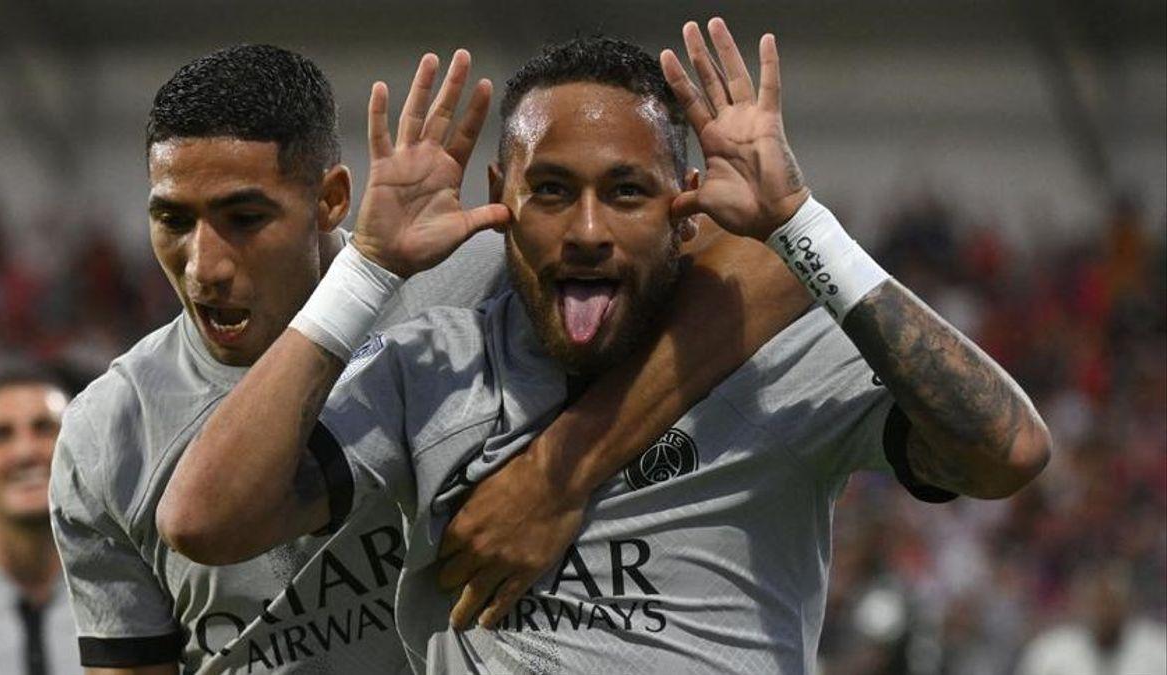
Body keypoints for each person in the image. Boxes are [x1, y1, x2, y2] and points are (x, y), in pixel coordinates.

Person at [161, 19, 1051, 673]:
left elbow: (1006, 451)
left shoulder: (774, 358)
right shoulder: (428, 369)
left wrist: (800, 223)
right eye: (552, 190)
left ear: (686, 202)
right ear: (501, 196)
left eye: (626, 192)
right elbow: (206, 520)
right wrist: (368, 267)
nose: (586, 229)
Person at [49, 43, 808, 673]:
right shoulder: (104, 435)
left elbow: (768, 258)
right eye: (172, 221)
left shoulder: (467, 282)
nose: (204, 264)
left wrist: (560, 471)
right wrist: (365, 275)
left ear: (332, 199)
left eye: (244, 218)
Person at [0, 368, 80, 674]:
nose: (25, 452)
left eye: (44, 428)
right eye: (0, 435)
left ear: (86, 451)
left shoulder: (141, 571)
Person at [1015, 562, 1167, 675]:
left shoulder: (1158, 647)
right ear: (1082, 604)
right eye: (1097, 602)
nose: (1104, 612)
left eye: (1111, 602)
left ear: (1129, 604)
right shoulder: (1050, 651)